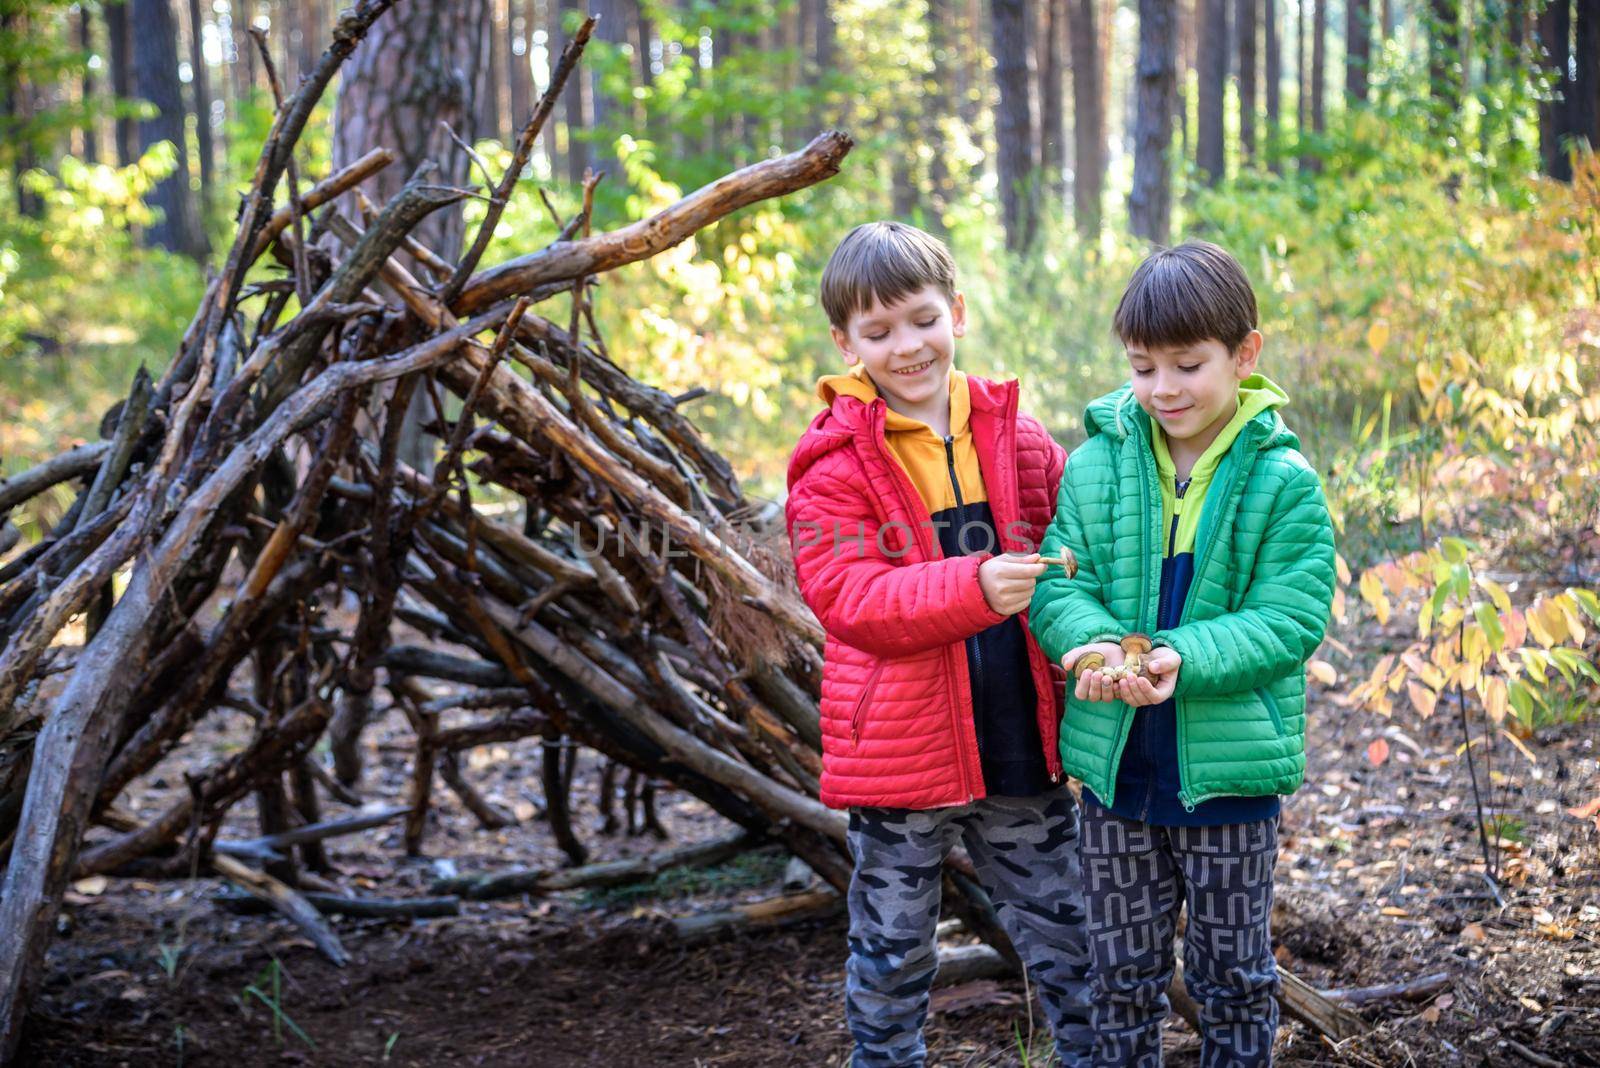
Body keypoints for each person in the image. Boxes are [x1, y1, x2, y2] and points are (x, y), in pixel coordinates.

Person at [785, 221, 1091, 1067]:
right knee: (893, 951)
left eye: (922, 319)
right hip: (902, 765)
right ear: (846, 345)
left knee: (1071, 931)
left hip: (1018, 743)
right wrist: (973, 586)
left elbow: (1082, 547)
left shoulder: (1020, 440)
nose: (907, 345)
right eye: (878, 333)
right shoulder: (836, 463)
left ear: (956, 310)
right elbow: (847, 597)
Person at [1029, 240, 1337, 1066]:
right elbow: (1062, 582)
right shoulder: (1096, 465)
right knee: (1120, 970)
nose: (1164, 389)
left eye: (1188, 365)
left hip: (1229, 781)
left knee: (1232, 970)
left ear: (1245, 354)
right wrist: (1090, 645)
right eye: (1143, 367)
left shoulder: (1282, 481)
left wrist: (1180, 657)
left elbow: (1290, 616)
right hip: (1115, 775)